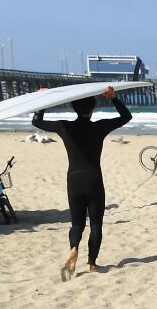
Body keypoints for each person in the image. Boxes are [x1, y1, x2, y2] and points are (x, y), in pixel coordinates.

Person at [32, 85, 131, 281]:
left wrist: (43, 101)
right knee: (96, 225)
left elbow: (37, 121)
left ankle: (73, 248)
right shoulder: (99, 126)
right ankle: (92, 263)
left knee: (77, 223)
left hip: (74, 180)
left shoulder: (63, 126)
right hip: (94, 179)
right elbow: (126, 117)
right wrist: (113, 98)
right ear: (92, 109)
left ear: (74, 109)